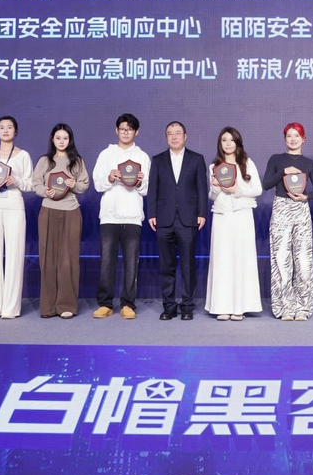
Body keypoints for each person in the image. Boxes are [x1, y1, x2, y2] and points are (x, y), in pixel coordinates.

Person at [261, 122, 313, 321]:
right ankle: (284, 307)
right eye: (289, 136)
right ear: (284, 139)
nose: (293, 139)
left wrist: (306, 197)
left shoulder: (309, 163)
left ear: (303, 138)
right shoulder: (276, 159)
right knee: (281, 259)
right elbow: (265, 184)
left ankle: (303, 307)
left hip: (301, 209)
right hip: (281, 208)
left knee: (303, 261)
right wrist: (282, 172)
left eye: (297, 135)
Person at [92, 113, 150, 319]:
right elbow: (98, 185)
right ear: (117, 130)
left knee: (131, 263)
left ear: (136, 132)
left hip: (133, 216)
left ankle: (128, 304)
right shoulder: (105, 154)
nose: (126, 132)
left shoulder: (142, 157)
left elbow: (146, 189)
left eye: (130, 129)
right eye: (123, 129)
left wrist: (139, 182)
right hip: (109, 216)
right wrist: (109, 178)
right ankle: (105, 303)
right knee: (106, 262)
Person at [147, 121, 208, 321]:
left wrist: (202, 213)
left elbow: (202, 188)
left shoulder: (197, 159)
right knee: (166, 265)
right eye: (170, 133)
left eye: (178, 133)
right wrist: (152, 213)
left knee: (188, 265)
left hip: (188, 218)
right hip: (163, 218)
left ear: (185, 136)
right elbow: (153, 189)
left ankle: (187, 307)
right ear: (166, 137)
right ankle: (169, 306)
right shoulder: (157, 160)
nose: (174, 137)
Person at [32, 123, 90, 319]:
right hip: (48, 211)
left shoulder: (77, 161)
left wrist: (74, 184)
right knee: (47, 259)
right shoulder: (44, 161)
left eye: (65, 138)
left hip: (71, 211)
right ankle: (48, 306)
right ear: (52, 139)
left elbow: (84, 184)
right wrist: (44, 191)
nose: (62, 141)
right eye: (58, 138)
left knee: (68, 259)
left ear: (70, 140)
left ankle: (66, 305)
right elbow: (35, 183)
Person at [205, 126, 263, 321]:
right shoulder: (214, 167)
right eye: (224, 140)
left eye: (231, 140)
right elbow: (212, 196)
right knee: (222, 260)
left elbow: (258, 189)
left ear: (237, 142)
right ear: (220, 143)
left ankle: (240, 307)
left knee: (242, 259)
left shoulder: (247, 163)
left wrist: (237, 191)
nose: (228, 144)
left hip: (242, 216)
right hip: (222, 216)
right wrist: (215, 188)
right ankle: (222, 306)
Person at [0, 116, 32, 319]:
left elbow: (29, 184)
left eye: (9, 127)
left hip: (14, 207)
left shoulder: (23, 155)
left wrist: (15, 180)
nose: (5, 130)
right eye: (2, 127)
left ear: (15, 131)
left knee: (14, 256)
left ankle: (10, 308)